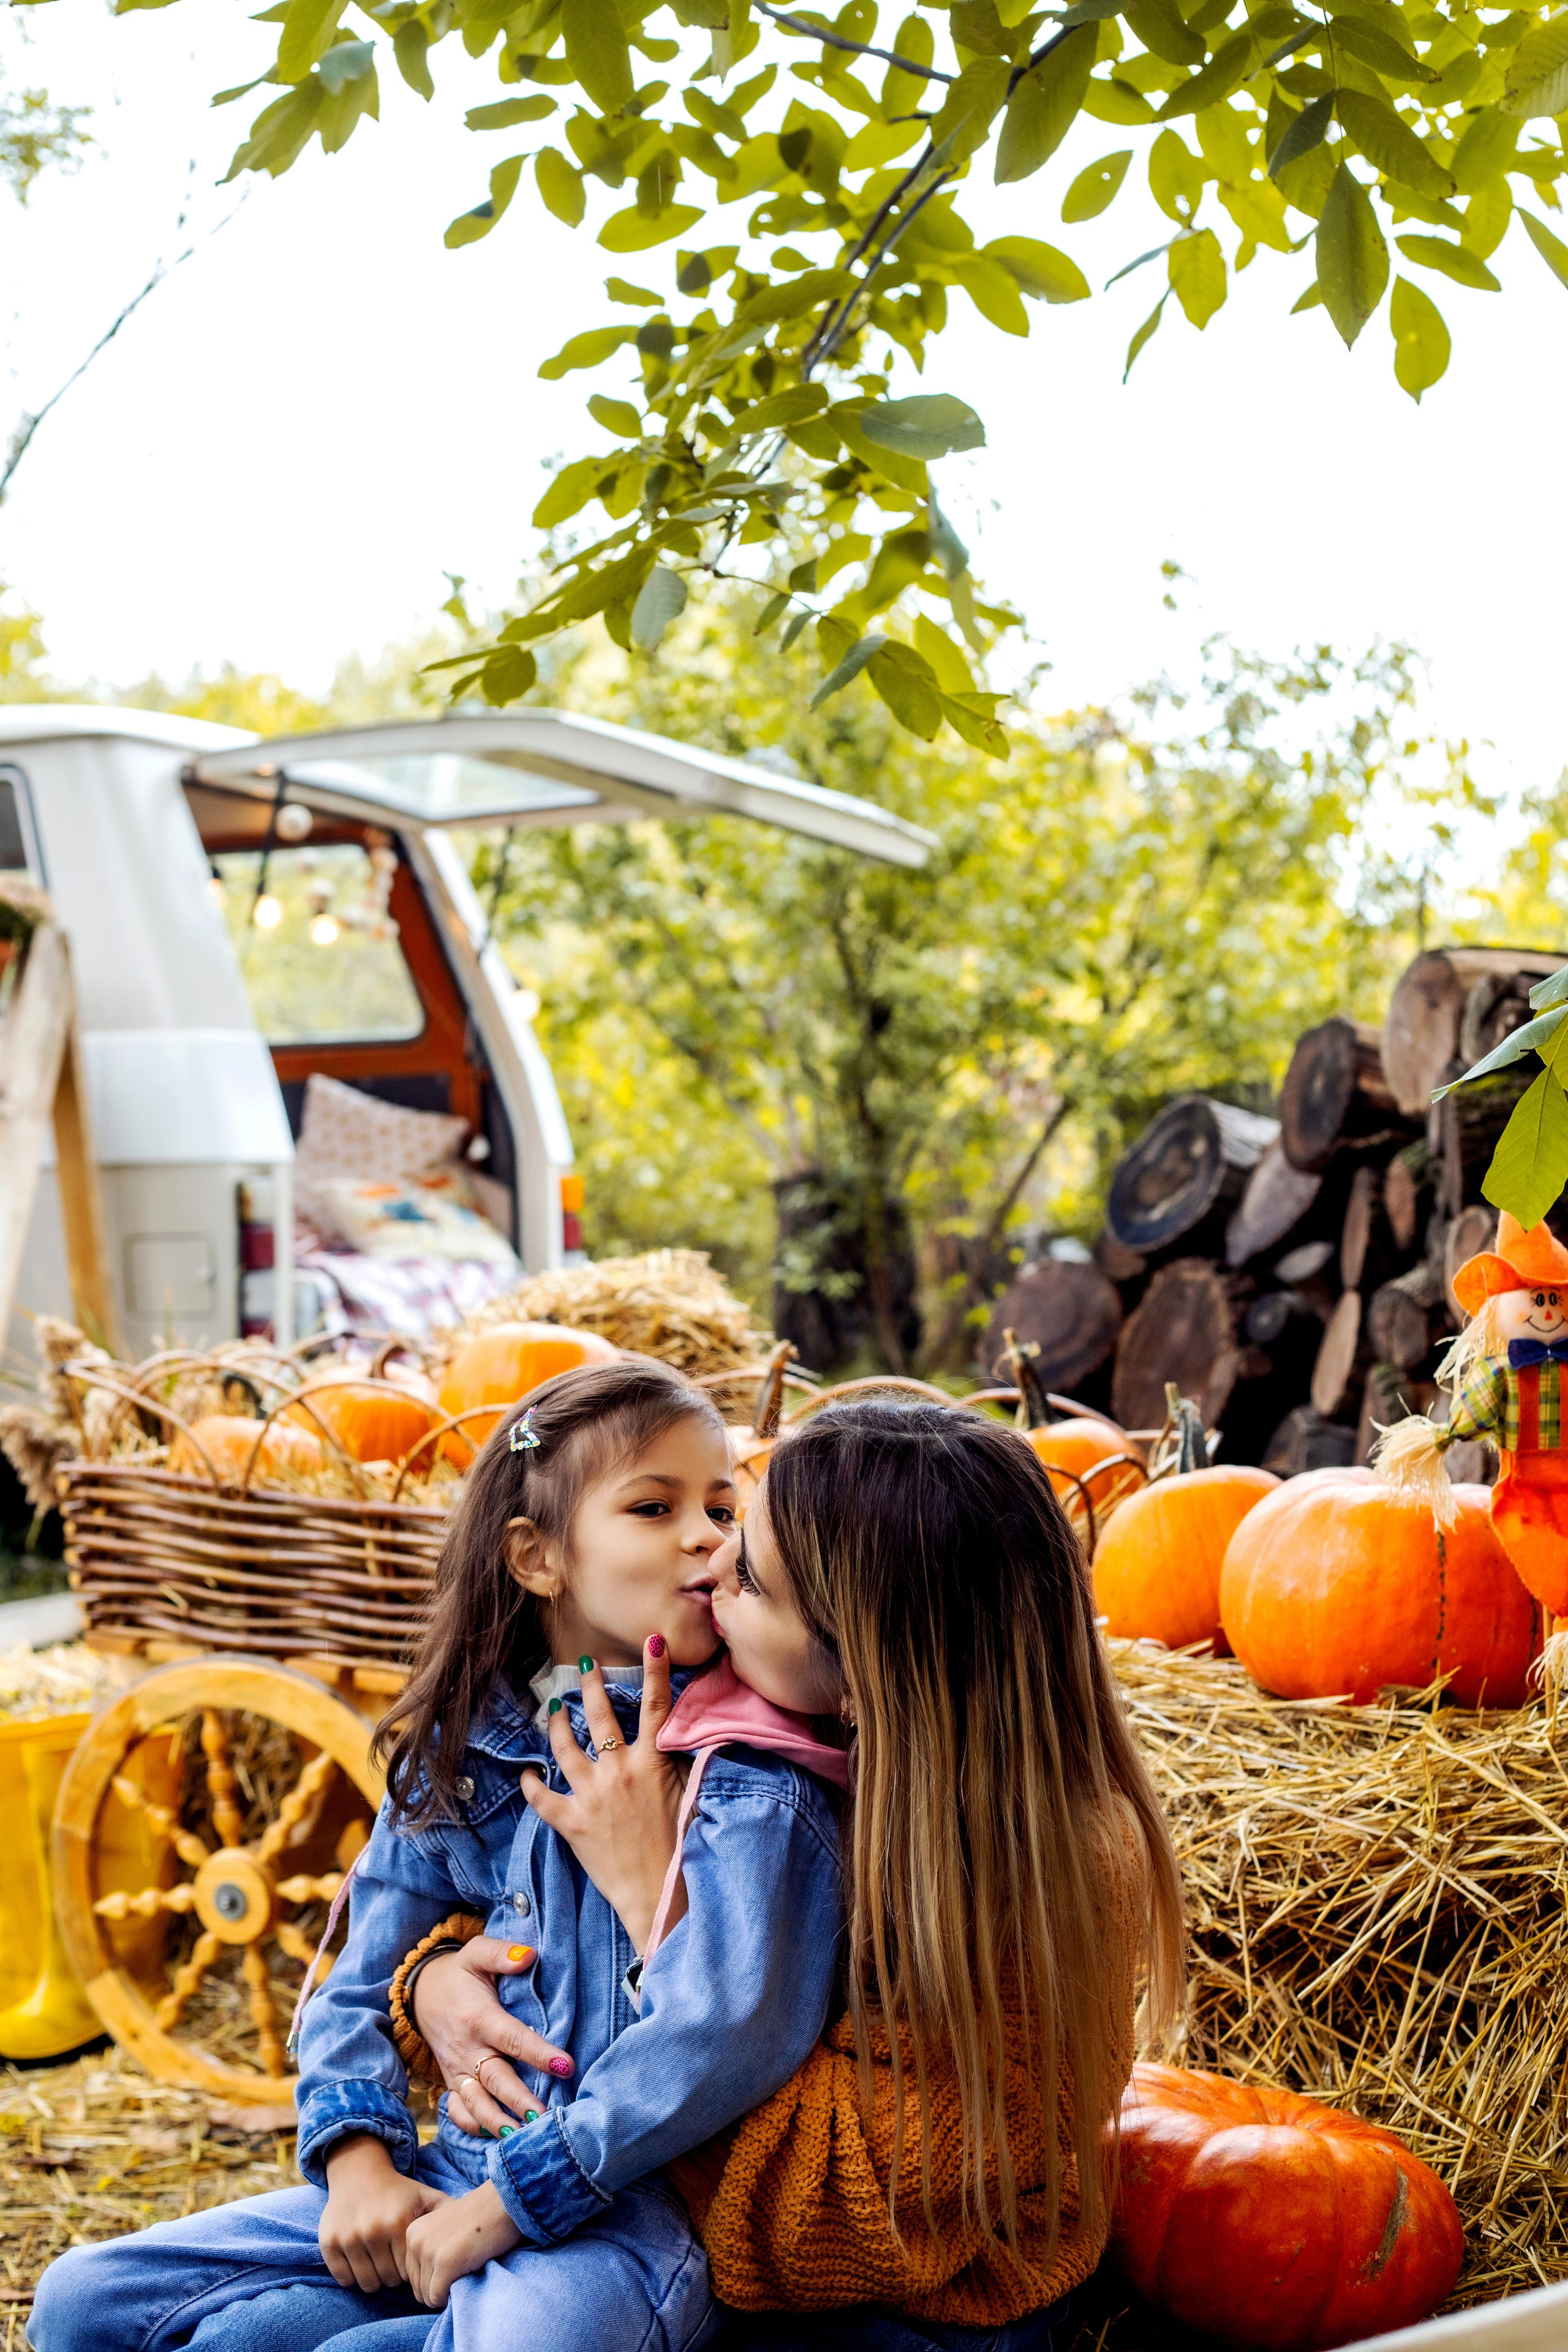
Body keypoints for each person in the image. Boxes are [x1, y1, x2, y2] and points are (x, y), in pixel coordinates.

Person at [28, 1358, 845, 2352]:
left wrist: (525, 2190)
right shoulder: (469, 1754)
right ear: (537, 1558)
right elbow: (355, 1971)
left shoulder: (748, 1774)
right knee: (83, 2300)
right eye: (652, 1506)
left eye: (723, 1507)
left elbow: (729, 2026)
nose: (707, 1538)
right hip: (451, 2175)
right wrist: (360, 2159)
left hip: (622, 2217)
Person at [407, 1400, 1186, 2352]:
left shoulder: (1033, 1900)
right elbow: (533, 1929)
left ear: (865, 1679)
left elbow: (813, 2202)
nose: (712, 1565)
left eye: (753, 1578)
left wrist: (658, 1903)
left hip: (883, 2317)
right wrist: (440, 1981)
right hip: (645, 2229)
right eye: (742, 1525)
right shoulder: (788, 1742)